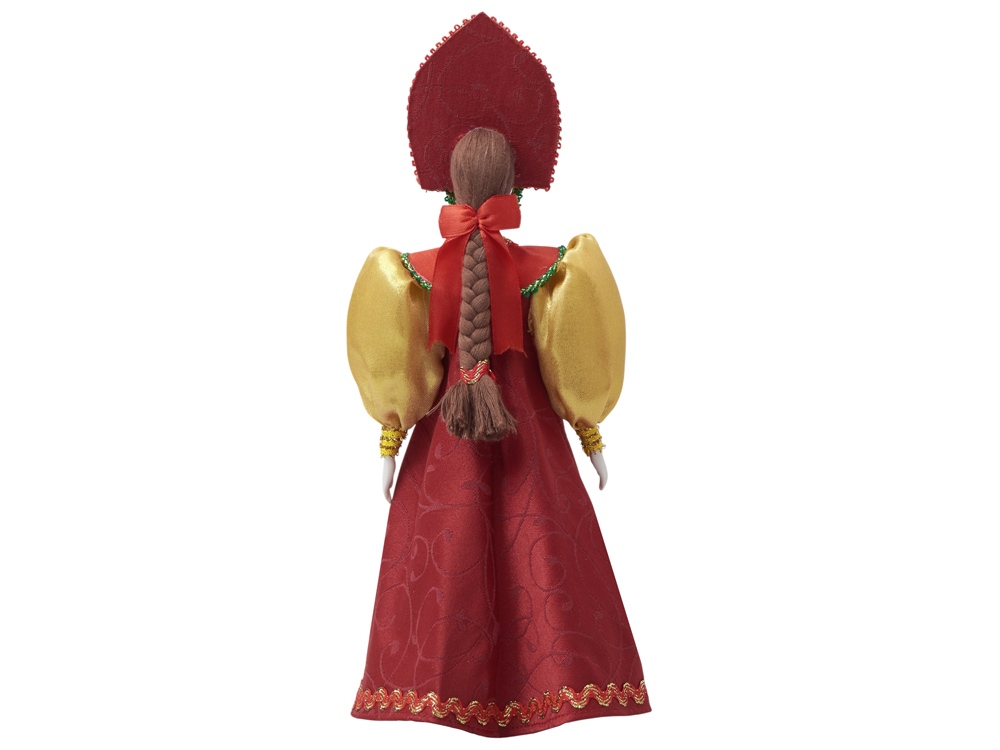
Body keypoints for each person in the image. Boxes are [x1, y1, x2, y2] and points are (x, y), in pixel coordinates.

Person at [346, 15, 649, 738]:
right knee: (542, 561)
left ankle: (434, 690)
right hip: (531, 447)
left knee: (442, 563)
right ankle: (552, 687)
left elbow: (401, 376)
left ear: (447, 181)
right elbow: (577, 362)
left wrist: (390, 441)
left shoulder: (411, 272)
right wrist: (591, 434)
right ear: (516, 184)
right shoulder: (553, 269)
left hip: (441, 453)